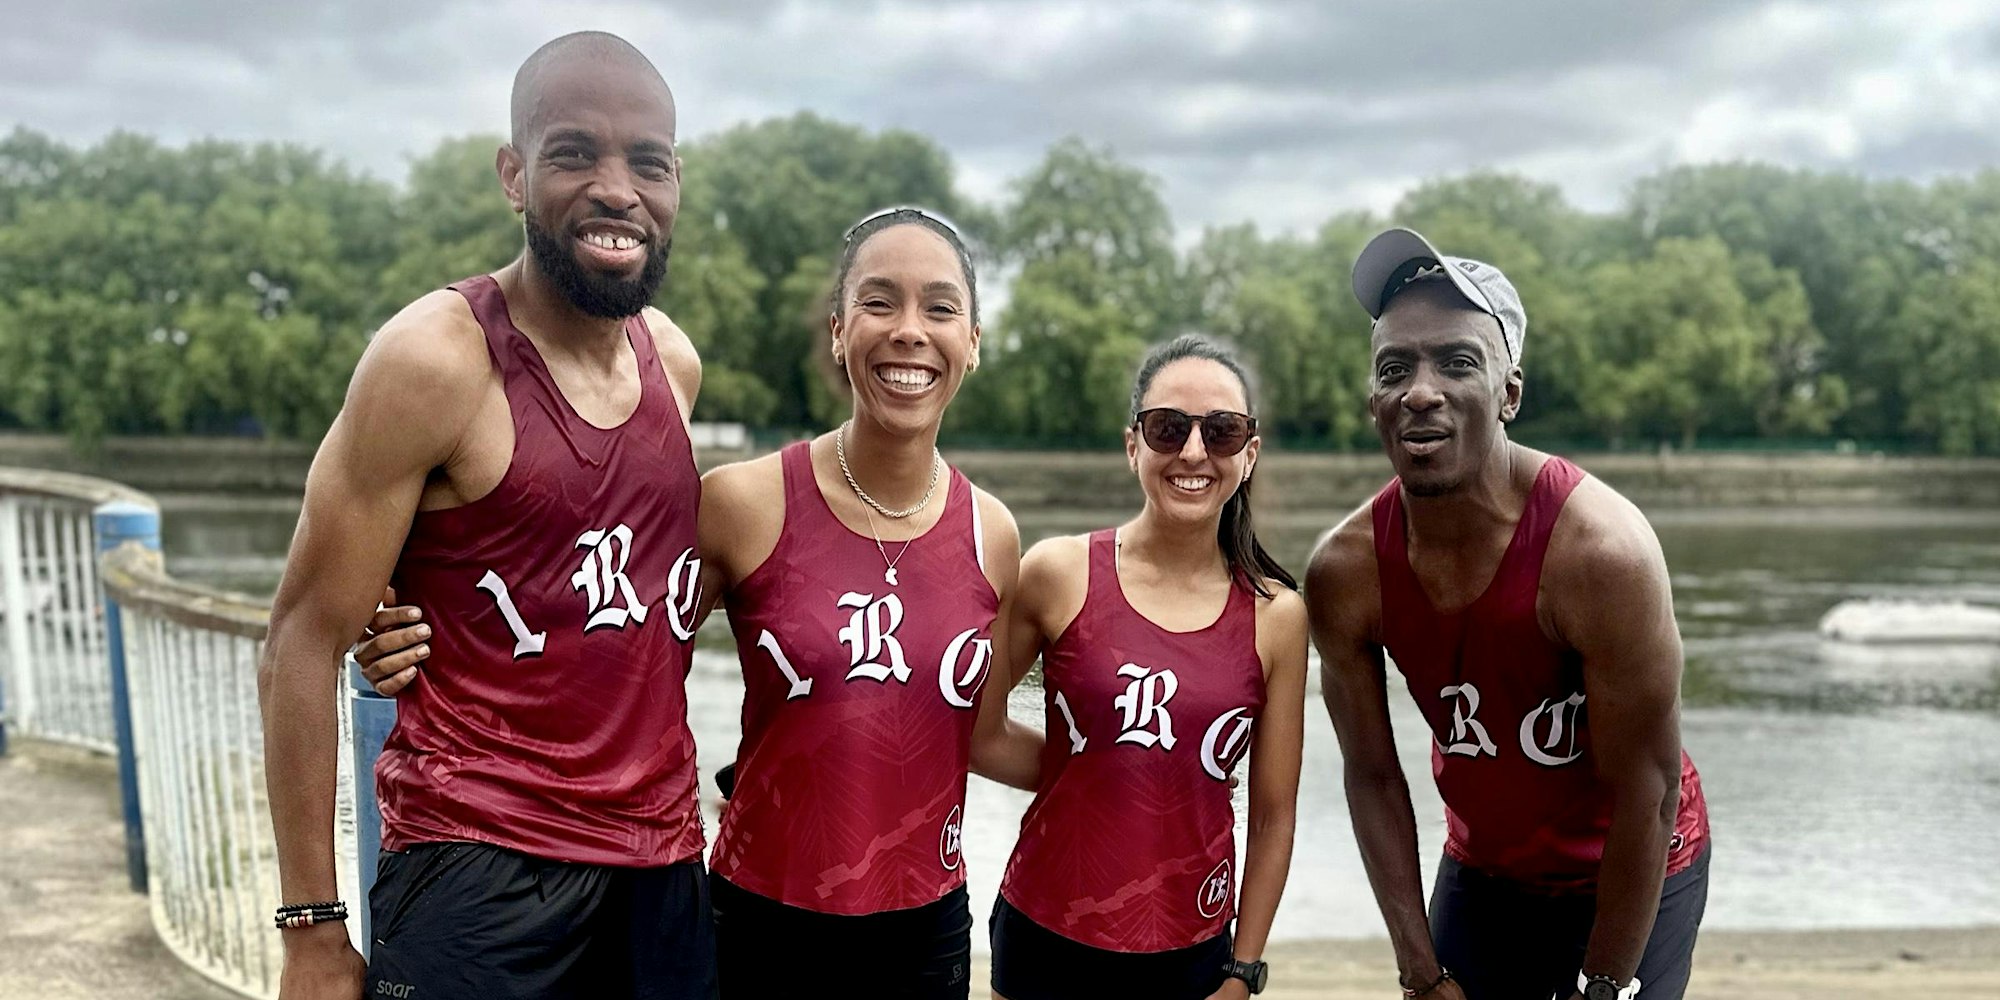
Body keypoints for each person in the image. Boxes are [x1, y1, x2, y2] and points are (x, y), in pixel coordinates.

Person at [360, 206, 1036, 999]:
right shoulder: (743, 504)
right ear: (837, 331)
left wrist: (1134, 759)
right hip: (760, 920)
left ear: (974, 342)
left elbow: (982, 733)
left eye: (941, 308)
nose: (910, 331)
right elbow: (603, 620)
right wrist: (416, 621)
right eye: (879, 302)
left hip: (926, 931)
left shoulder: (993, 534)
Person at [256, 32, 715, 1000]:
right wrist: (312, 930)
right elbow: (301, 636)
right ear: (514, 174)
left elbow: (629, 585)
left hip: (661, 866)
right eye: (574, 153)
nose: (616, 189)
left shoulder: (674, 365)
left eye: (648, 162)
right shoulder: (434, 359)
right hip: (477, 864)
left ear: (675, 183)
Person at [1307, 229, 1711, 1000]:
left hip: (1633, 860)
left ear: (1510, 394)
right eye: (1395, 369)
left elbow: (1649, 792)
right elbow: (1372, 775)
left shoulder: (1601, 556)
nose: (1421, 391)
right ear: (1374, 404)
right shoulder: (1347, 573)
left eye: (1458, 362)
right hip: (1487, 869)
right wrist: (1420, 970)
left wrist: (1603, 987)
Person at [987, 335, 1307, 1000]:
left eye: (1221, 431)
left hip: (1192, 953)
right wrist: (1102, 773)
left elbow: (1274, 817)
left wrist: (1244, 969)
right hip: (1045, 933)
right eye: (1168, 428)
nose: (1192, 452)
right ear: (1133, 445)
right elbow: (973, 731)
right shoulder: (1057, 573)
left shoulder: (1277, 616)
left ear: (1248, 454)